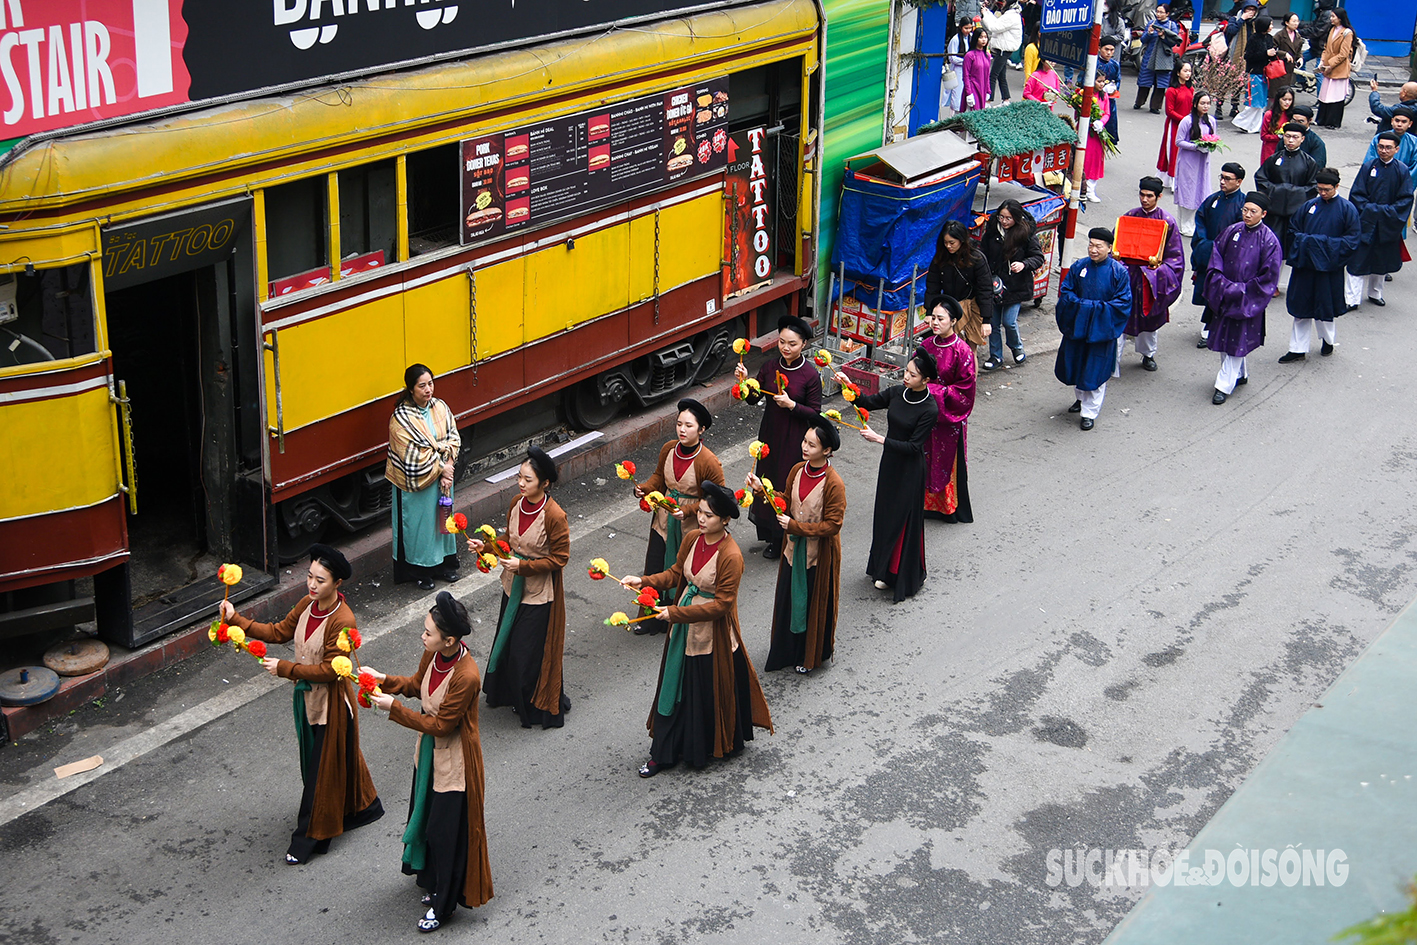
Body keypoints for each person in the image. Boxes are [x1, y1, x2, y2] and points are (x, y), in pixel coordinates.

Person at [220, 545, 383, 865]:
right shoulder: (307, 604)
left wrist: (285, 669)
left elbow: (329, 670)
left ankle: (310, 837)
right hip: (308, 700)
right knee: (335, 760)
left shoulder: (343, 620)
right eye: (309, 576)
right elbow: (279, 631)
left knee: (320, 773)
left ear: (337, 584)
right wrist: (236, 618)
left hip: (332, 707)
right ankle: (364, 808)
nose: (311, 585)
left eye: (320, 580)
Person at [622, 481, 773, 777]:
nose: (701, 519)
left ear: (726, 520)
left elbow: (721, 606)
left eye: (709, 516)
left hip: (710, 636)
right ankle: (663, 752)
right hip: (683, 628)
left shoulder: (731, 556)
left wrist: (675, 612)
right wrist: (644, 581)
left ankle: (700, 746)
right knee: (672, 687)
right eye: (701, 512)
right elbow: (676, 573)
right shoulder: (692, 538)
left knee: (697, 692)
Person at [365, 593, 492, 932]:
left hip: (456, 761)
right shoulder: (433, 655)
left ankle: (445, 904)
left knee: (443, 831)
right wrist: (381, 678)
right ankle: (435, 881)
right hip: (429, 753)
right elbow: (415, 686)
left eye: (428, 633)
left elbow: (442, 725)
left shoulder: (467, 676)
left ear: (449, 640)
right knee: (427, 819)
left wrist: (392, 709)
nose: (423, 637)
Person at [468, 446, 571, 729]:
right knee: (509, 643)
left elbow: (560, 558)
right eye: (519, 477)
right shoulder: (516, 503)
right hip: (512, 587)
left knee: (524, 653)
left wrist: (523, 567)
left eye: (528, 479)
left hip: (538, 593)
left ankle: (534, 703)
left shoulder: (554, 515)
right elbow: (509, 539)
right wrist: (485, 547)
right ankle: (510, 693)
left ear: (545, 483)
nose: (521, 484)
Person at [834, 348, 939, 601]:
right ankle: (882, 569)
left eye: (913, 375)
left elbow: (915, 447)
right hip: (890, 464)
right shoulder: (897, 393)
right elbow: (867, 402)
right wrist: (849, 386)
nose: (906, 377)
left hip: (910, 469)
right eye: (906, 372)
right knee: (884, 516)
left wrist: (880, 439)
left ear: (925, 380)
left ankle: (897, 573)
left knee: (901, 521)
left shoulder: (930, 409)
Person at [746, 415, 845, 674]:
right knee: (789, 601)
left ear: (827, 451)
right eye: (804, 441)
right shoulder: (796, 471)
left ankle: (808, 655)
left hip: (817, 555)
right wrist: (761, 488)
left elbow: (832, 526)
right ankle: (786, 652)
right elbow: (784, 500)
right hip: (793, 550)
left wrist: (795, 527)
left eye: (811, 445)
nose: (804, 447)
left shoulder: (833, 484)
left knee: (813, 604)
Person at [631, 397, 725, 633]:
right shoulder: (668, 449)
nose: (682, 430)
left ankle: (677, 616)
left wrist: (689, 510)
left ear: (701, 430)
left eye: (689, 425)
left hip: (690, 527)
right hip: (663, 521)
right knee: (655, 567)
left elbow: (718, 499)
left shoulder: (708, 461)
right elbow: (659, 478)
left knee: (682, 571)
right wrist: (645, 488)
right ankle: (648, 618)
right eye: (679, 424)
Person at [733, 316, 822, 558]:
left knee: (786, 485)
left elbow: (815, 413)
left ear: (803, 344)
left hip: (795, 438)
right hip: (770, 434)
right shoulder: (770, 367)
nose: (786, 347)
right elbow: (754, 398)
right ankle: (771, 535)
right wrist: (744, 383)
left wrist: (792, 405)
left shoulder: (810, 375)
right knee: (766, 479)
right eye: (782, 342)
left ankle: (786, 534)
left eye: (792, 344)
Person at [1204, 192, 1284, 404]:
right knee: (1225, 339)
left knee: (1237, 340)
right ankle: (1240, 374)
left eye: (1253, 211)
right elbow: (1216, 256)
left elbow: (1269, 276)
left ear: (1264, 214)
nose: (1247, 215)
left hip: (1248, 298)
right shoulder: (1232, 231)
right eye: (1245, 210)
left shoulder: (1269, 241)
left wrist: (1243, 290)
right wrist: (1221, 283)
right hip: (1225, 292)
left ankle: (1223, 385)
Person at [388, 363, 461, 591]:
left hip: (441, 481)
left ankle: (444, 565)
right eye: (422, 386)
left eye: (430, 384)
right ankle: (419, 571)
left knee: (442, 524)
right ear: (411, 389)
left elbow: (454, 438)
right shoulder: (400, 418)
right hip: (416, 485)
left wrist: (447, 468)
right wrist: (443, 468)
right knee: (419, 528)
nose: (428, 390)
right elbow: (411, 457)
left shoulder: (440, 407)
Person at [1055, 228, 1133, 431]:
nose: (1093, 249)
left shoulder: (1119, 272)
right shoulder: (1079, 266)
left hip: (1101, 329)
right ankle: (1080, 399)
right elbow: (1066, 291)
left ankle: (1090, 412)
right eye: (1091, 244)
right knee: (1077, 363)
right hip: (1079, 326)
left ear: (1109, 248)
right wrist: (1081, 306)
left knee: (1095, 369)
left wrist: (1094, 309)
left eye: (1099, 246)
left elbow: (1123, 303)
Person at [1281, 167, 1360, 361]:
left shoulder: (1347, 209)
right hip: (1306, 265)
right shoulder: (1309, 206)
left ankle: (1328, 340)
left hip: (1328, 268)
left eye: (1327, 189)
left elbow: (1352, 240)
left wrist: (1317, 244)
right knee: (1301, 308)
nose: (1323, 193)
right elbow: (1293, 230)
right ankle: (1297, 349)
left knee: (1324, 309)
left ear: (1337, 186)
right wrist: (1311, 244)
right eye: (1320, 189)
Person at [918, 296, 977, 521]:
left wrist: (932, 391)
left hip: (948, 417)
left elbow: (965, 390)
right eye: (933, 317)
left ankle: (946, 507)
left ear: (952, 321)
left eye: (940, 318)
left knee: (945, 458)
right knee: (923, 456)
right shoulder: (925, 346)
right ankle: (922, 503)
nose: (935, 322)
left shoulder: (962, 351)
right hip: (924, 414)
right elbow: (915, 374)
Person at [1120, 177, 1185, 371]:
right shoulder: (1130, 216)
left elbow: (1175, 259)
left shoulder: (1168, 222)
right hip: (1128, 277)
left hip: (1151, 281)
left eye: (1149, 196)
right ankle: (1111, 360)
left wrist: (1159, 270)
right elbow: (1117, 247)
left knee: (1148, 321)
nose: (1144, 199)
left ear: (1159, 196)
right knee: (1120, 318)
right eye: (1142, 194)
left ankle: (1148, 354)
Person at [1345, 133, 1415, 309]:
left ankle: (1375, 293)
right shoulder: (1368, 167)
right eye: (1381, 147)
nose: (1384, 150)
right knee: (1357, 261)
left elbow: (1406, 199)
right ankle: (1351, 299)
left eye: (1388, 147)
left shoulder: (1402, 170)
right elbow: (1357, 194)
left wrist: (1387, 212)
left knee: (1381, 260)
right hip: (1366, 222)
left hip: (1388, 223)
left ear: (1396, 149)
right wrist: (1371, 210)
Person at [980, 200, 1044, 370]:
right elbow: (982, 253)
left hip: (1016, 286)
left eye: (1008, 218)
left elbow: (1038, 257)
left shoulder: (1026, 233)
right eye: (1002, 216)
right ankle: (995, 356)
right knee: (992, 323)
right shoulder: (992, 230)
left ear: (1016, 217)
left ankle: (1016, 347)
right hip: (994, 284)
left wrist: (1024, 264)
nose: (1004, 221)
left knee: (1009, 321)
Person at [1191, 162, 1248, 346]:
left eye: (1227, 178)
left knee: (1220, 294)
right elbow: (1200, 220)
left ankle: (1210, 330)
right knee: (1207, 292)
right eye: (1221, 177)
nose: (1222, 182)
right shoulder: (1213, 199)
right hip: (1207, 254)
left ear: (1238, 182)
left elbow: (1242, 234)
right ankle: (1209, 328)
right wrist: (1204, 243)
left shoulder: (1243, 205)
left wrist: (1223, 251)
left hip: (1226, 259)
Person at [925, 219, 995, 353]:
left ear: (962, 241)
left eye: (952, 243)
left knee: (970, 349)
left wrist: (986, 320)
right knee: (950, 347)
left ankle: (970, 374)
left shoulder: (976, 258)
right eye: (945, 243)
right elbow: (932, 285)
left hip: (974, 306)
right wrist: (929, 311)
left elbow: (985, 290)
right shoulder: (940, 258)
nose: (949, 246)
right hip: (951, 305)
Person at [1255, 123, 1318, 259]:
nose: (1290, 140)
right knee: (1271, 248)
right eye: (1287, 136)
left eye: (1295, 137)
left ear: (1302, 139)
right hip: (1274, 213)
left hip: (1295, 215)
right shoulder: (1274, 159)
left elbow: (1313, 188)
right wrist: (1282, 192)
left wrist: (1288, 193)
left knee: (1293, 248)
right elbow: (1261, 179)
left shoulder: (1309, 162)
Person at [1174, 92, 1219, 237]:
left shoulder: (1211, 121)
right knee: (1188, 189)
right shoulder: (1187, 121)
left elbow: (1213, 137)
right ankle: (1184, 224)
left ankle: (1195, 223)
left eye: (1208, 103)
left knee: (1201, 188)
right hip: (1188, 161)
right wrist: (1195, 146)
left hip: (1203, 160)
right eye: (1202, 103)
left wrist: (1210, 145)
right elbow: (1178, 141)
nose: (1206, 106)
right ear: (1195, 104)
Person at [1232, 14, 1275, 134]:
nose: (1271, 26)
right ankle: (1241, 121)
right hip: (1254, 73)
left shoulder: (1269, 38)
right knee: (1254, 101)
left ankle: (1254, 126)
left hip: (1265, 73)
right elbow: (1248, 56)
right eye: (1270, 24)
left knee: (1261, 102)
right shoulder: (1253, 39)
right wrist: (1266, 53)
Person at [1135, 4, 1181, 113]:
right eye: (1157, 12)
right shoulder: (1151, 23)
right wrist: (1150, 33)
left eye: (1161, 12)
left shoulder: (1172, 25)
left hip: (1164, 58)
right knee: (1144, 81)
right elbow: (1143, 40)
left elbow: (1174, 41)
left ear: (1167, 14)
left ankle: (1155, 106)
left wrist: (1163, 37)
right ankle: (1139, 102)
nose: (1158, 14)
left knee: (1160, 83)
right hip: (1149, 56)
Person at [1314, 9, 1354, 129]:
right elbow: (1326, 48)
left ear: (1340, 18)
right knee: (1325, 94)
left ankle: (1333, 122)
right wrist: (1322, 61)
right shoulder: (1332, 30)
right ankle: (1322, 119)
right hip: (1328, 67)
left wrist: (1330, 64)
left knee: (1336, 97)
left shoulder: (1347, 33)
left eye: (1333, 16)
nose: (1331, 19)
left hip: (1338, 69)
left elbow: (1343, 54)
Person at [1159, 61, 1196, 189]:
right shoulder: (1171, 91)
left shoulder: (1190, 89)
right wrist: (1185, 120)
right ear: (1178, 72)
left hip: (1188, 124)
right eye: (1185, 71)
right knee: (1173, 150)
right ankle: (1174, 180)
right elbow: (1169, 111)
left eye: (1189, 71)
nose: (1188, 74)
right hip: (1174, 124)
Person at [1223, 1, 1259, 118]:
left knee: (1240, 84)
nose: (1250, 12)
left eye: (1253, 10)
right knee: (1226, 83)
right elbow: (1231, 31)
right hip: (1233, 56)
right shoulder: (1235, 19)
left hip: (1247, 57)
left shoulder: (1255, 23)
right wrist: (1241, 19)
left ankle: (1235, 107)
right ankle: (1219, 106)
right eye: (1248, 9)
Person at [981, 0, 1022, 103]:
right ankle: (1006, 99)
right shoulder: (1011, 14)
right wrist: (988, 13)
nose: (1002, 3)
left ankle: (988, 100)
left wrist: (985, 14)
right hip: (1003, 48)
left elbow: (994, 27)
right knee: (1001, 75)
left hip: (1004, 49)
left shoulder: (1011, 16)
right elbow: (997, 22)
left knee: (993, 75)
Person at [1083, 73, 1113, 204]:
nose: (1101, 84)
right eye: (1099, 81)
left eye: (1103, 82)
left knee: (1096, 161)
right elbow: (1079, 113)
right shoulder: (1083, 94)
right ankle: (1081, 187)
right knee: (1084, 159)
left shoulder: (1104, 95)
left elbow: (1107, 113)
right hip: (1086, 132)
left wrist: (1101, 122)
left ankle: (1091, 189)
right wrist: (1090, 122)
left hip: (1098, 133)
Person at [944, 17, 976, 113]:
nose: (968, 30)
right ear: (961, 27)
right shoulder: (955, 39)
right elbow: (952, 58)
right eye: (966, 28)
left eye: (970, 28)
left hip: (969, 69)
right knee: (957, 93)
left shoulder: (971, 37)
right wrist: (966, 61)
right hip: (958, 70)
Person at [1259, 87, 1295, 164]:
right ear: (1278, 100)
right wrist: (1278, 137)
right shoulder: (1269, 115)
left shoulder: (1292, 115)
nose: (1287, 103)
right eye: (1284, 100)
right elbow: (1263, 136)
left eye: (1290, 100)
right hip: (1271, 149)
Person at [1097, 36, 1123, 144]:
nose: (1109, 53)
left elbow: (1118, 80)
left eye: (1112, 50)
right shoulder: (1094, 63)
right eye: (1106, 49)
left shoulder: (1115, 65)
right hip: (1097, 99)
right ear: (1099, 48)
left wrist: (1114, 87)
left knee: (1109, 127)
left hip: (1110, 101)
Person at [1272, 13, 1304, 97]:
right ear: (1286, 22)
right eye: (1294, 21)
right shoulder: (1280, 35)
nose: (1296, 23)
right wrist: (1284, 54)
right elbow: (1273, 49)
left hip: (1290, 68)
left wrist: (1300, 58)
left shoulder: (1298, 36)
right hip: (1280, 67)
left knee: (1287, 91)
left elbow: (1298, 51)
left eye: (1297, 21)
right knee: (1278, 93)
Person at [963, 29, 993, 112]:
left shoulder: (987, 55)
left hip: (982, 88)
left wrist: (988, 90)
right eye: (981, 37)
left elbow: (987, 75)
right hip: (973, 88)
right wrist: (969, 93)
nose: (983, 40)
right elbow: (966, 75)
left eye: (985, 37)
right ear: (976, 38)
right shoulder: (969, 55)